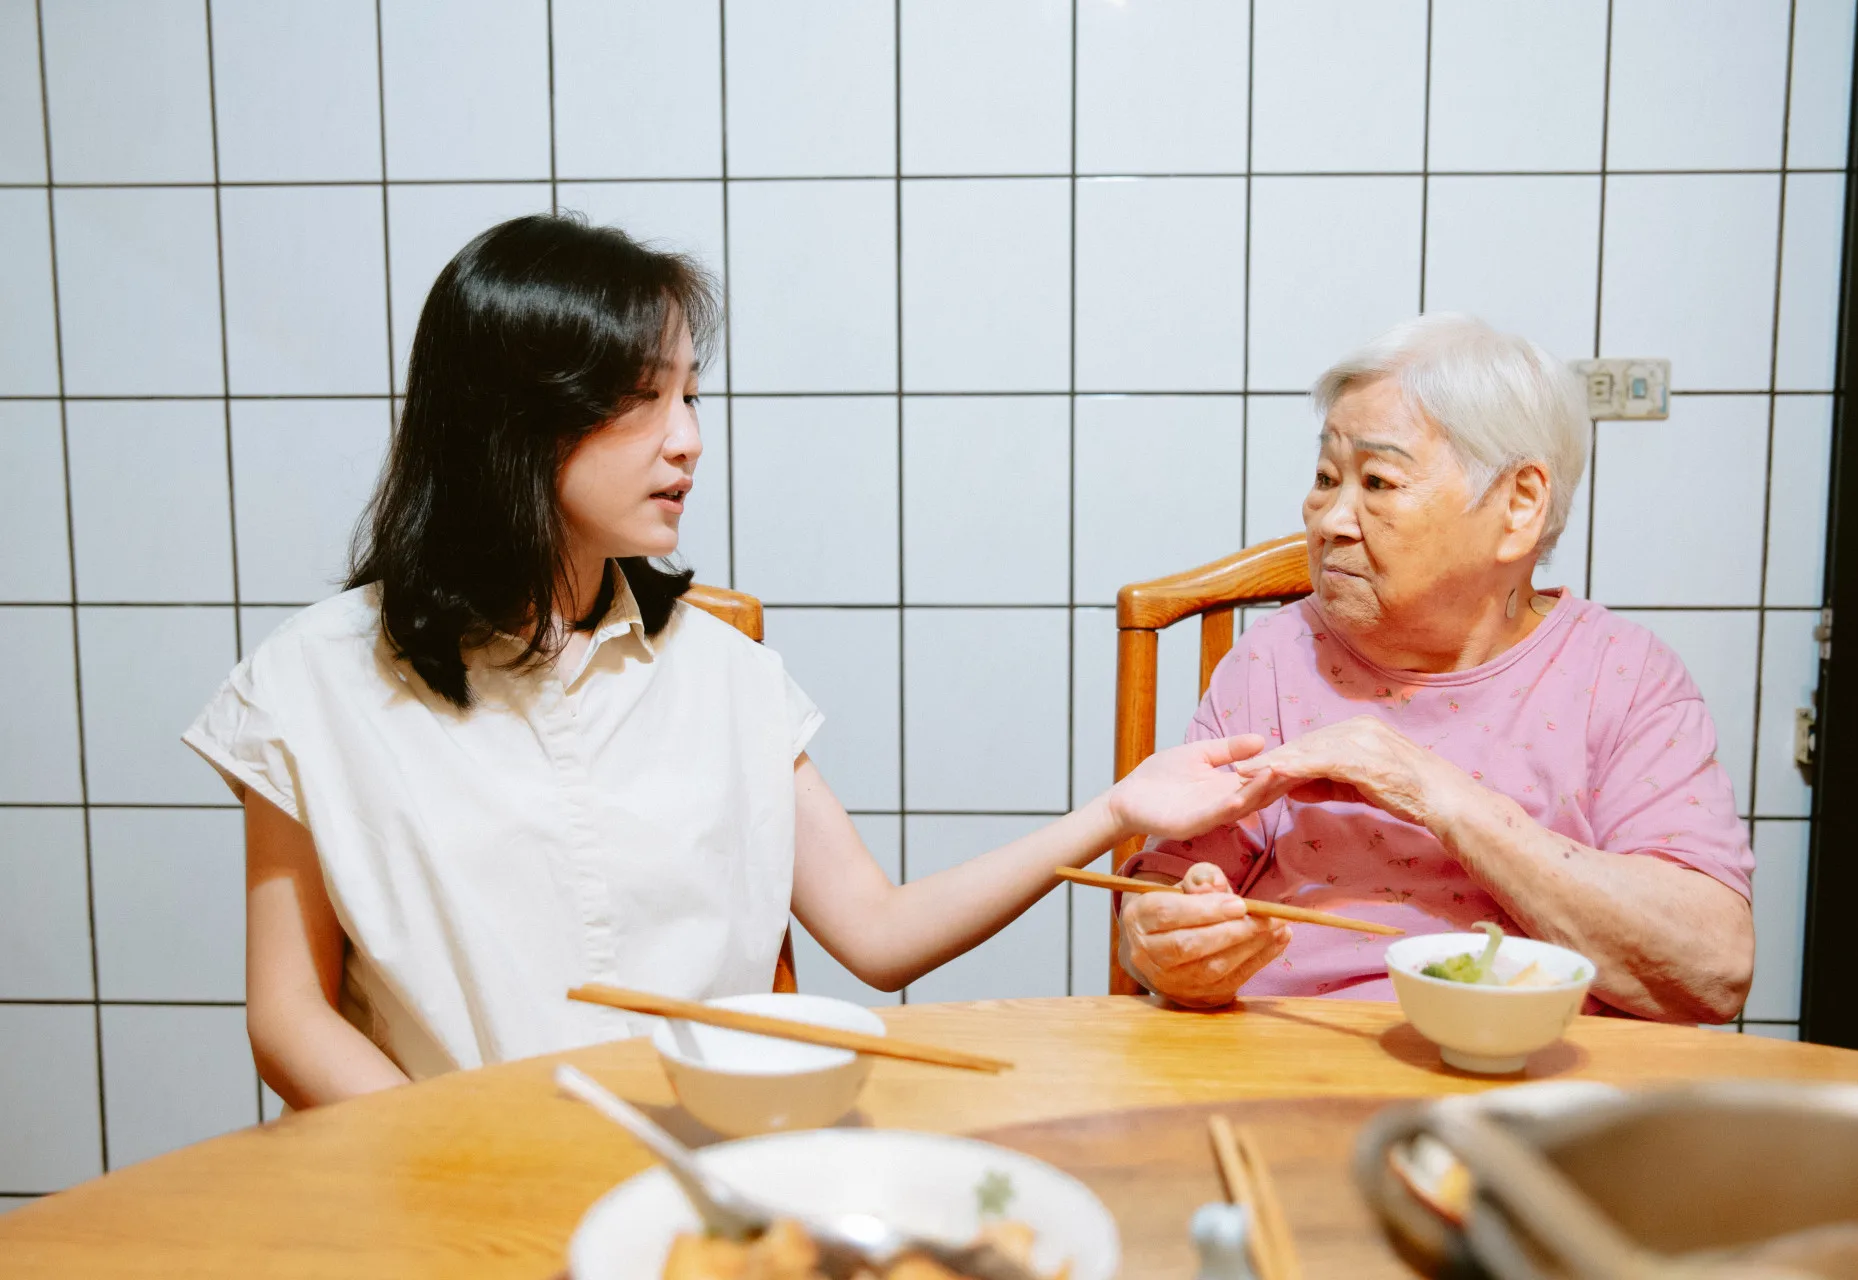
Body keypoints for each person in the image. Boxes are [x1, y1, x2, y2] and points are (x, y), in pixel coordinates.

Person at [184, 215, 1291, 1108]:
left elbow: (879, 933)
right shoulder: (311, 683)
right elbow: (289, 1015)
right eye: (644, 398)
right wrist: (456, 1150)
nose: (689, 439)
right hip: (438, 1191)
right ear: (512, 420)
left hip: (708, 1171)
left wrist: (1117, 807)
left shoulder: (726, 675)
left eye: (692, 395)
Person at [1117, 315, 1755, 1023]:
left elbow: (1712, 970)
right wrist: (1171, 941)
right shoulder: (1273, 660)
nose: (1329, 519)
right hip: (1294, 1059)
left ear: (1519, 505)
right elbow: (1166, 901)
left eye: (1379, 481)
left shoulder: (1627, 677)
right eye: (1326, 477)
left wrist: (1431, 789)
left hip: (1539, 1089)